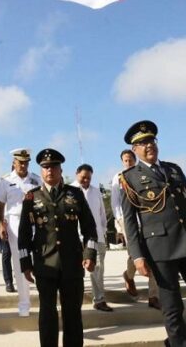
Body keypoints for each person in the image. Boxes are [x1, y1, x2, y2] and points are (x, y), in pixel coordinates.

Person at [120, 121, 186, 347]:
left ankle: (175, 344)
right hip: (159, 250)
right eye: (142, 143)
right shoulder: (129, 178)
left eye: (151, 141)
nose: (149, 146)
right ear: (134, 149)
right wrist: (137, 256)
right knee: (173, 309)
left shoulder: (174, 169)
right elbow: (130, 223)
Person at [18, 148, 97, 347]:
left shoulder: (75, 194)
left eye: (53, 166)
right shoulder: (31, 197)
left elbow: (90, 228)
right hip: (45, 264)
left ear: (61, 169)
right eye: (45, 167)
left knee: (72, 315)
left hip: (72, 263)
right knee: (47, 315)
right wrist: (25, 263)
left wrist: (90, 253)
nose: (49, 170)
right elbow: (24, 234)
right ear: (41, 171)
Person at [0, 148, 42, 314]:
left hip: (35, 221)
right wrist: (0, 224)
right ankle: (24, 305)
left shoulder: (36, 180)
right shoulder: (5, 180)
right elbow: (0, 206)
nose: (23, 165)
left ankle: (44, 300)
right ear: (14, 163)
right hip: (15, 222)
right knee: (19, 261)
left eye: (26, 162)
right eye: (20, 162)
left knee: (40, 258)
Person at [111, 149, 160, 308]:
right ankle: (128, 275)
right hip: (127, 221)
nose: (128, 162)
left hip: (147, 219)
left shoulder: (143, 174)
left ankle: (154, 296)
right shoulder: (118, 178)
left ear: (135, 159)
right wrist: (120, 221)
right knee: (134, 253)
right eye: (125, 160)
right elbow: (116, 202)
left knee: (154, 254)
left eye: (130, 159)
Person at [72, 164, 112, 312]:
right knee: (75, 271)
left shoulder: (96, 192)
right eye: (83, 177)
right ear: (77, 174)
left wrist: (102, 231)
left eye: (89, 177)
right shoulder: (70, 190)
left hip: (96, 237)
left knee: (98, 269)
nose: (86, 180)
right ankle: (73, 301)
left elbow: (102, 214)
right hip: (75, 237)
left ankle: (99, 299)